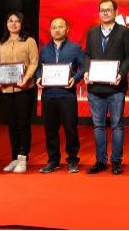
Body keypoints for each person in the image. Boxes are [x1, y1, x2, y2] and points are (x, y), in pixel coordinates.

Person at [83, 0, 129, 175]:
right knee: (98, 125)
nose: (105, 13)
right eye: (102, 10)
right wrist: (86, 71)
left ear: (115, 12)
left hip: (116, 87)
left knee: (117, 125)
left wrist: (120, 74)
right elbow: (87, 55)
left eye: (108, 10)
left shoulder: (124, 32)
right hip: (95, 88)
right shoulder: (92, 32)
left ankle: (116, 161)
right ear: (99, 13)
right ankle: (100, 160)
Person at [0, 11, 39, 174]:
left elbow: (34, 63)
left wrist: (26, 78)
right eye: (10, 21)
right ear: (6, 24)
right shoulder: (2, 43)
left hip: (24, 88)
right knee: (12, 125)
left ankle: (22, 159)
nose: (13, 23)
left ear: (22, 23)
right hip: (6, 89)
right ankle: (14, 158)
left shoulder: (29, 41)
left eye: (17, 21)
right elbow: (0, 65)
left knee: (23, 125)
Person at [35, 17, 84, 174]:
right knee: (50, 129)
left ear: (67, 29)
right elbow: (38, 68)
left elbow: (84, 68)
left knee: (70, 128)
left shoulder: (75, 48)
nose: (57, 30)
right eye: (54, 27)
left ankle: (72, 160)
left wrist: (74, 79)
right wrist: (38, 77)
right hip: (48, 94)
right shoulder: (44, 49)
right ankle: (53, 160)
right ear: (50, 30)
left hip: (67, 94)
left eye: (60, 27)